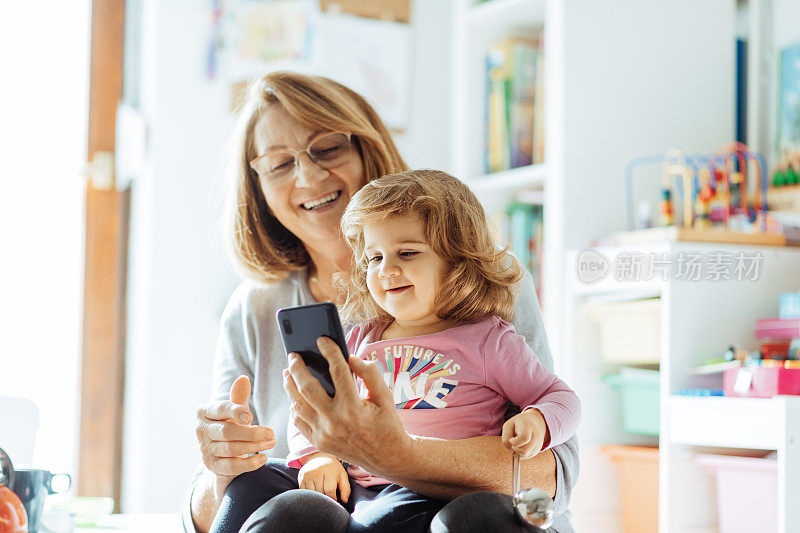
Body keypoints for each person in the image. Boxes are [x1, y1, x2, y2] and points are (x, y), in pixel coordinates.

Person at [185, 71, 580, 533]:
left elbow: (552, 476)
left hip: (453, 515)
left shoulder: (486, 286)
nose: (309, 176)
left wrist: (399, 456)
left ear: (366, 150)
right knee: (275, 496)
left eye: (328, 148)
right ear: (259, 188)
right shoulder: (258, 311)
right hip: (340, 509)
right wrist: (225, 468)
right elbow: (218, 501)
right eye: (279, 163)